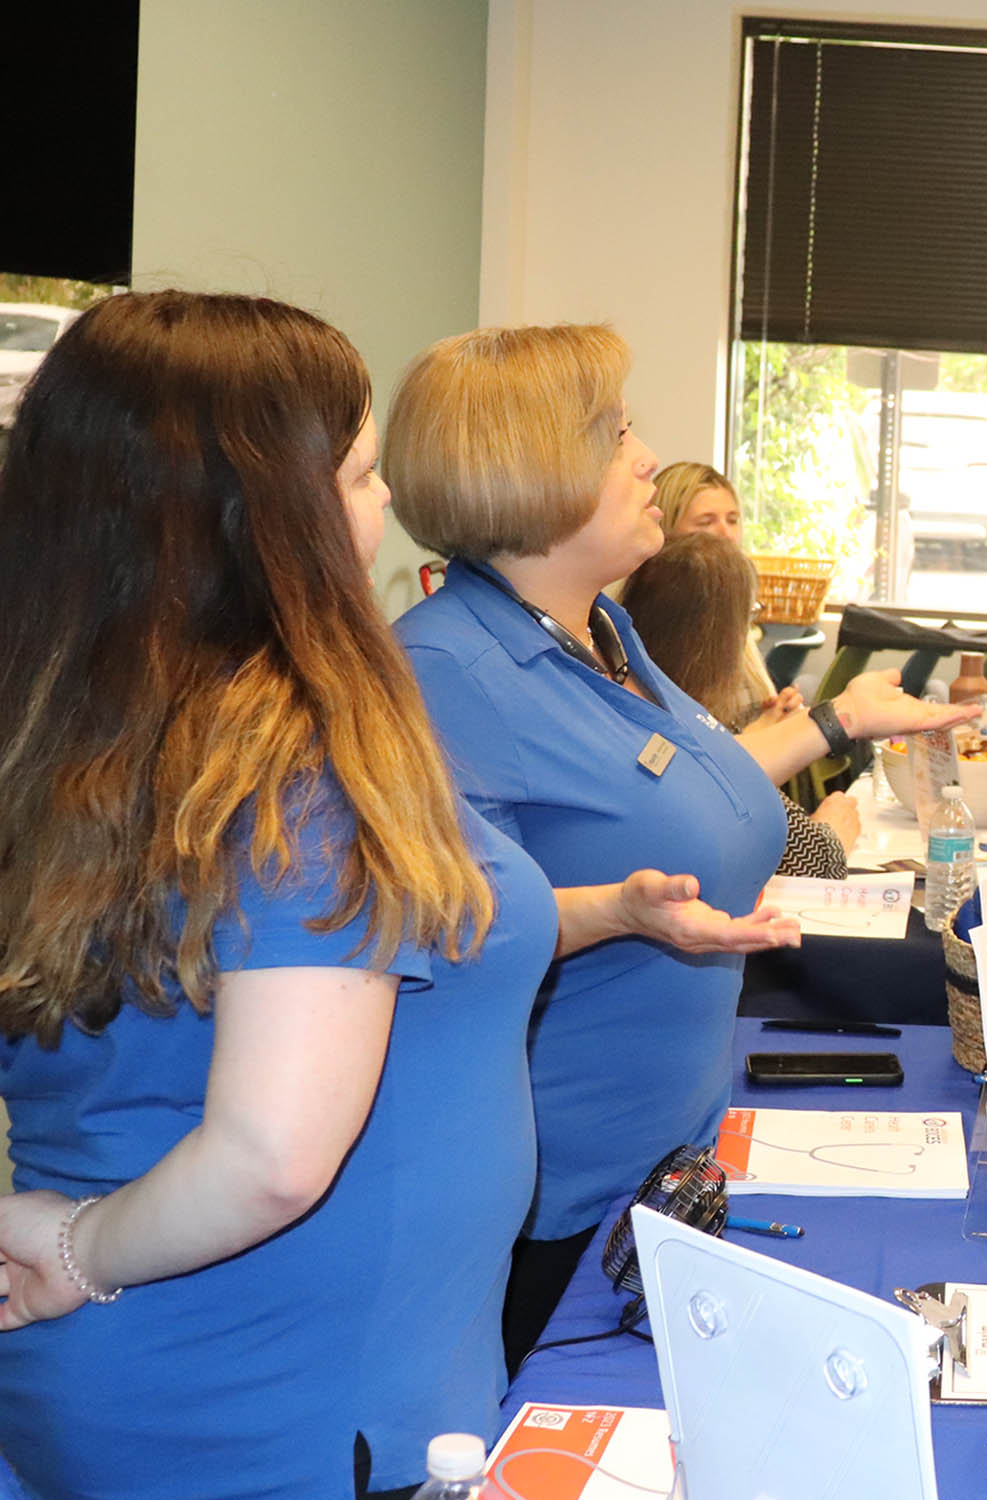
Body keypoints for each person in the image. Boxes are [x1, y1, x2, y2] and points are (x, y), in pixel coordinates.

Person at [0, 292, 542, 1498]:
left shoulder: (64, 729)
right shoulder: (297, 768)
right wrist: (78, 1250)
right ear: (260, 523)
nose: (387, 501)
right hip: (269, 1411)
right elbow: (273, 1154)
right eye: (356, 475)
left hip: (155, 1389)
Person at [384, 323, 977, 1368]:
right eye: (614, 434)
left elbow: (679, 795)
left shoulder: (599, 626)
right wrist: (617, 910)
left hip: (668, 1161)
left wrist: (836, 725)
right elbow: (445, 932)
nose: (646, 455)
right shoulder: (449, 674)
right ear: (529, 471)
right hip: (556, 1217)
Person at [622, 531, 862, 876]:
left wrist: (757, 735)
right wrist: (833, 830)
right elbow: (815, 859)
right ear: (719, 638)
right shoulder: (683, 730)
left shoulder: (638, 695)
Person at [649, 460, 795, 730]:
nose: (726, 534)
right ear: (666, 528)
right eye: (707, 522)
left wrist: (775, 714)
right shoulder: (663, 625)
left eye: (732, 520)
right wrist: (762, 732)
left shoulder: (728, 606)